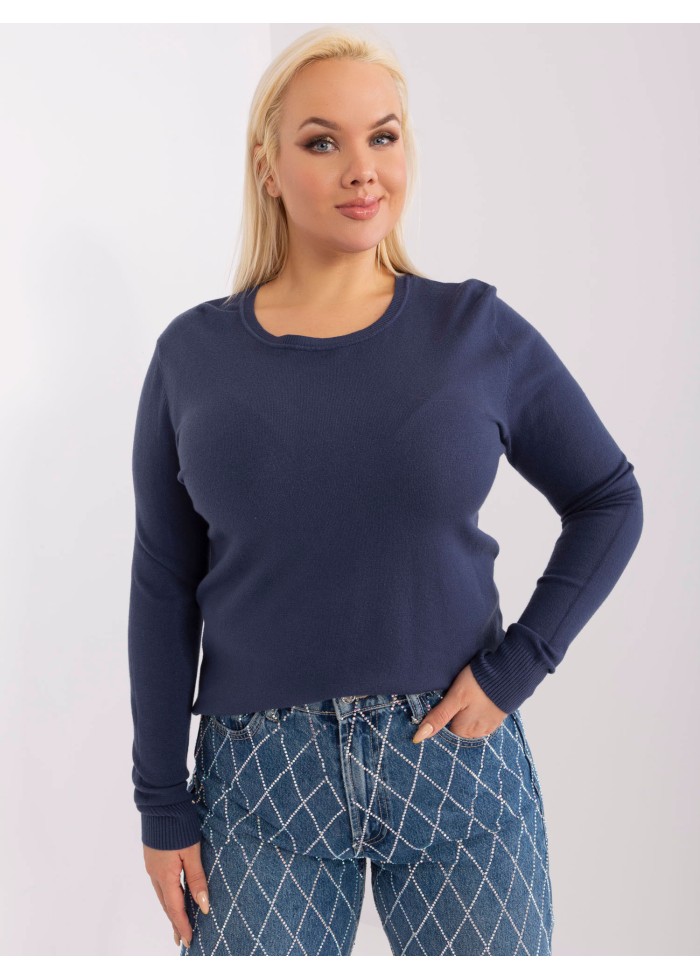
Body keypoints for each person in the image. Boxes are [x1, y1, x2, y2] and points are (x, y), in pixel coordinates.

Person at [127, 27, 643, 956]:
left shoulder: (473, 331)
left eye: (385, 136)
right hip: (261, 784)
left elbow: (608, 498)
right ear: (268, 167)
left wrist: (519, 665)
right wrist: (160, 798)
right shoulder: (191, 357)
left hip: (453, 761)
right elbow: (164, 584)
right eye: (323, 140)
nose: (362, 167)